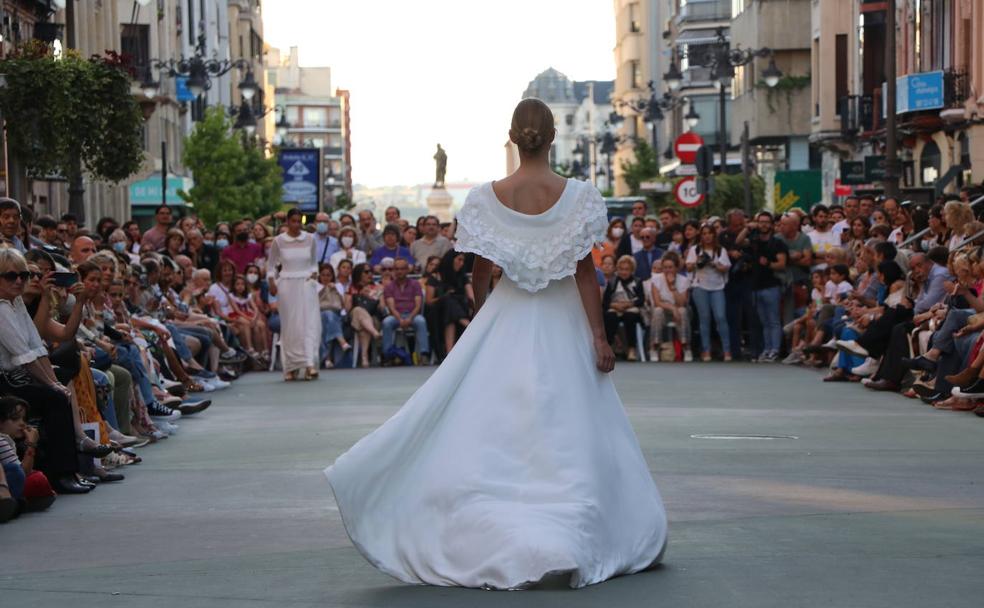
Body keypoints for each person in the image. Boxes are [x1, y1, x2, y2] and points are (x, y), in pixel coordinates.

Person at [324, 98, 666, 590]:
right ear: (552, 138)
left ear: (513, 136)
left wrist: (481, 320)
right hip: (563, 320)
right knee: (568, 422)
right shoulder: (581, 197)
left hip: (505, 317)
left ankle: (497, 518)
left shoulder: (486, 198)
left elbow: (481, 269)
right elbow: (587, 274)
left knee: (494, 422)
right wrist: (598, 334)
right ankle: (571, 525)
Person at [266, 209, 321, 381]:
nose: (297, 225)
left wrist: (313, 274)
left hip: (306, 284)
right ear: (288, 222)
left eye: (299, 221)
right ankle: (290, 367)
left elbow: (314, 263)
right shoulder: (279, 241)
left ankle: (309, 364)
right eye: (294, 221)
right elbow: (271, 266)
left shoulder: (310, 239)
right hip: (287, 286)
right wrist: (271, 282)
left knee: (308, 323)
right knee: (290, 327)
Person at [686, 224, 732, 362]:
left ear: (713, 235)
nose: (707, 236)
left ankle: (727, 350)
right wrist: (698, 262)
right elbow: (688, 267)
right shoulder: (695, 249)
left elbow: (726, 268)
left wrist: (713, 263)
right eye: (704, 233)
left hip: (717, 287)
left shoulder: (720, 250)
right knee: (704, 319)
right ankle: (706, 350)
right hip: (700, 286)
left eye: (709, 233)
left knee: (720, 317)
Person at [381, 258, 429, 364]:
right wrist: (400, 319)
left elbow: (418, 305)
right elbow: (391, 307)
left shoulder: (415, 284)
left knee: (421, 321)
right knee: (386, 322)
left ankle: (424, 354)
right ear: (394, 270)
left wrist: (409, 318)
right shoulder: (389, 286)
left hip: (413, 314)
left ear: (407, 270)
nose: (399, 271)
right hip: (396, 315)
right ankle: (387, 355)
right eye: (397, 269)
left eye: (402, 269)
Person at [647, 253, 691, 362]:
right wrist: (672, 308)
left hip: (678, 313)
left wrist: (673, 287)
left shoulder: (684, 280)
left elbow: (682, 303)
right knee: (657, 311)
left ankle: (686, 347)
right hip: (663, 312)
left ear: (676, 268)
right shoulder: (656, 279)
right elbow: (657, 302)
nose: (667, 270)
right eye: (665, 267)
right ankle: (654, 347)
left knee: (682, 310)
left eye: (670, 267)